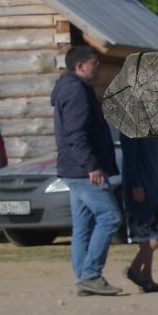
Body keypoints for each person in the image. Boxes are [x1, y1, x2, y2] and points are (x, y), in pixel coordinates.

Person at [51, 44, 122, 297]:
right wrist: (92, 166)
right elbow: (76, 135)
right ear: (80, 66)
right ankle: (91, 275)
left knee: (83, 226)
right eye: (95, 63)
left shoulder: (71, 87)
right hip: (82, 171)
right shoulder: (76, 91)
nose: (99, 67)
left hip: (74, 168)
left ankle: (84, 279)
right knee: (109, 217)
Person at [118, 132, 158, 292]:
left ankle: (147, 280)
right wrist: (136, 185)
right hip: (140, 187)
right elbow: (130, 159)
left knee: (148, 235)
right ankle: (135, 268)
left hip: (151, 183)